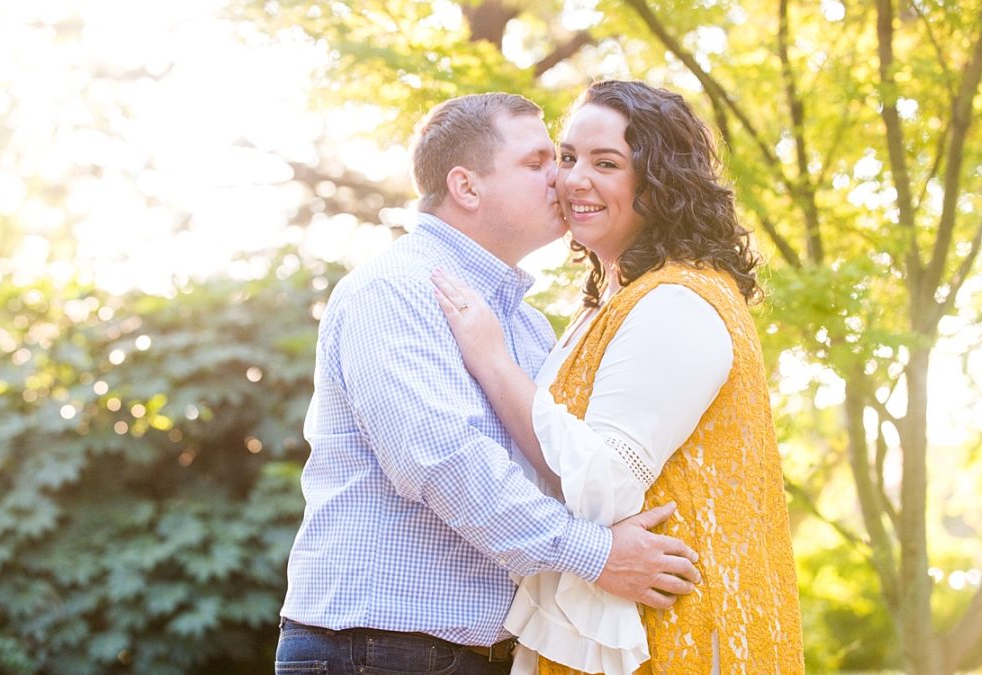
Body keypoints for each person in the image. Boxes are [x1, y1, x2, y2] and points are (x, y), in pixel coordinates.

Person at [276, 92, 704, 675]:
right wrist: (598, 555)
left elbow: (560, 466)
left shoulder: (525, 325)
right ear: (466, 187)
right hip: (377, 650)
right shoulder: (395, 290)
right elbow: (442, 463)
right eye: (538, 163)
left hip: (478, 656)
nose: (562, 178)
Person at [432, 80, 805, 674]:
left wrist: (493, 359)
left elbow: (604, 480)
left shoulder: (679, 300)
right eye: (567, 156)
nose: (573, 178)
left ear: (659, 184)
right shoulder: (611, 303)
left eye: (606, 163)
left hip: (675, 634)